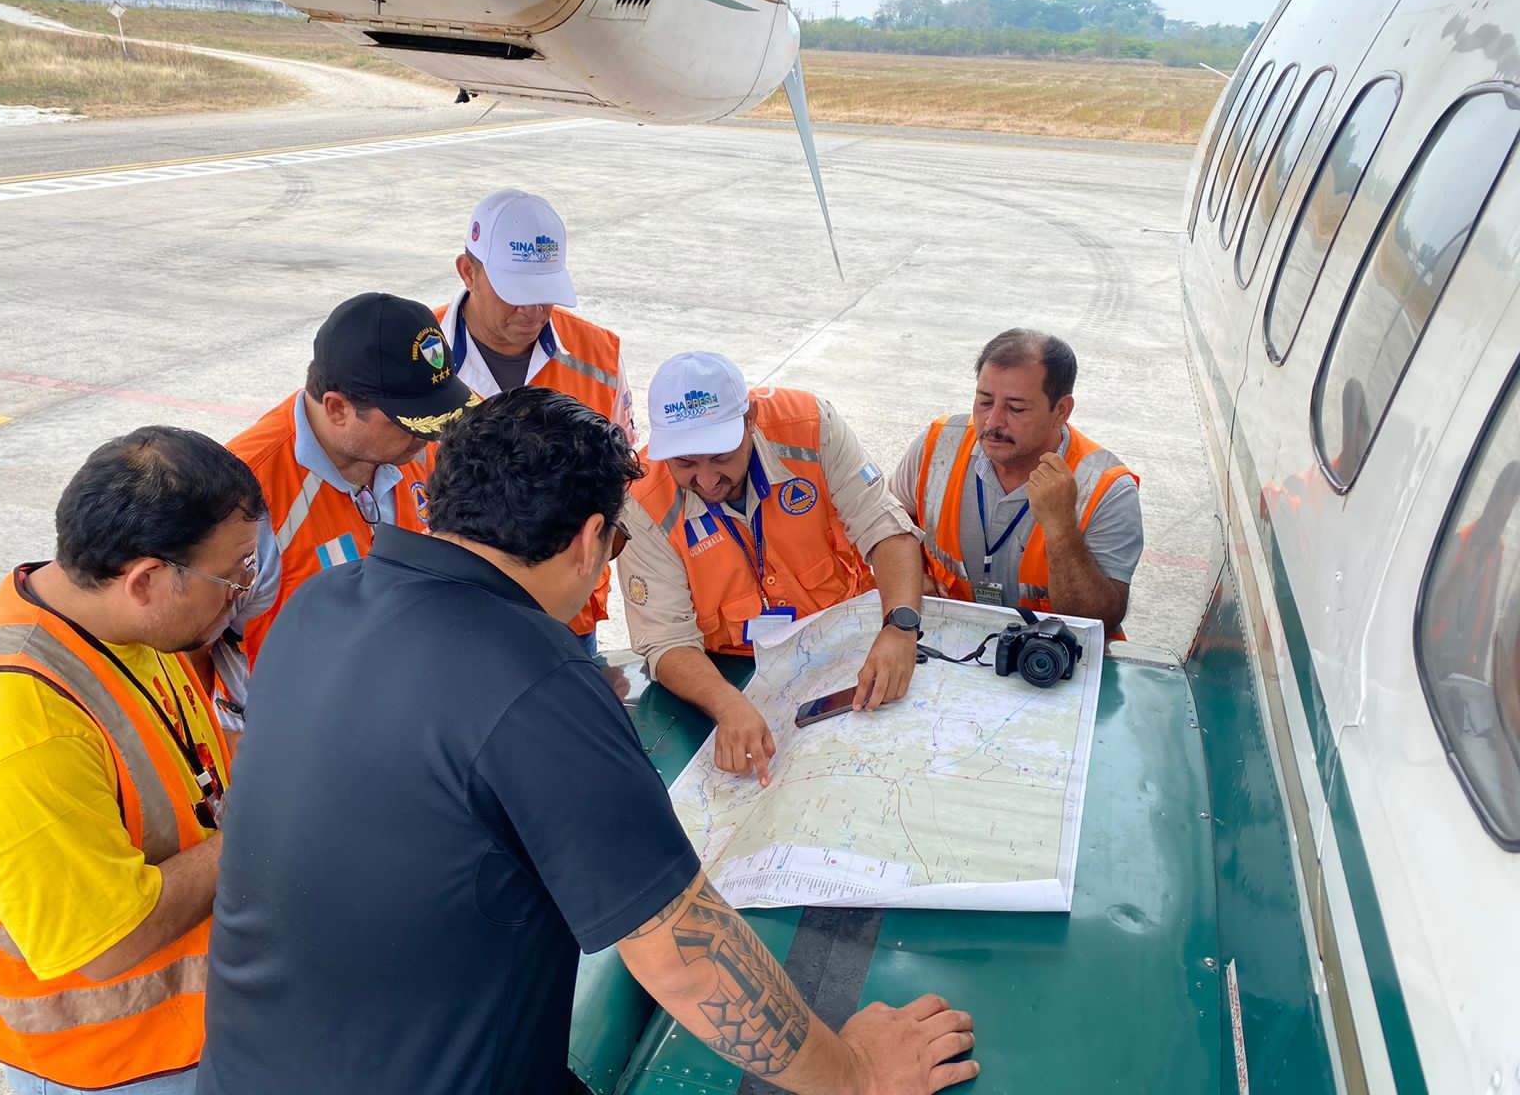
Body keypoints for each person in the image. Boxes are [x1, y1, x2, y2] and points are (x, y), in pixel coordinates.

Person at [196, 388, 977, 1095]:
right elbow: (679, 954)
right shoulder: (534, 684)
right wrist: (857, 1075)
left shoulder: (318, 604)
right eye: (616, 546)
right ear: (589, 538)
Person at [0, 427, 265, 1094]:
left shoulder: (127, 632)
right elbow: (109, 943)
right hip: (114, 1067)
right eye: (233, 573)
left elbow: (184, 767)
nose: (242, 592)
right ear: (145, 579)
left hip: (191, 1038)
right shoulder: (12, 726)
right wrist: (267, 825)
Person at [618, 352, 925, 785]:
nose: (706, 481)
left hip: (844, 649)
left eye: (720, 456)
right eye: (685, 463)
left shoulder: (811, 427)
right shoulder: (641, 499)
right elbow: (666, 641)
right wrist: (726, 704)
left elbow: (886, 528)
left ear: (751, 420)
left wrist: (900, 626)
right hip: (728, 669)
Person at [206, 292, 475, 730]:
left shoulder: (416, 453)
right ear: (337, 408)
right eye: (410, 422)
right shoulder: (240, 496)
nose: (428, 439)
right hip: (292, 742)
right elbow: (195, 651)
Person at [432, 188, 635, 651]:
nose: (533, 312)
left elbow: (622, 479)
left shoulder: (599, 355)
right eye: (516, 293)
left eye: (544, 293)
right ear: (469, 272)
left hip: (567, 616)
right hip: (454, 616)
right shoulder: (419, 356)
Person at [892, 329, 1141, 637]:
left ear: (1061, 411)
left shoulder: (1106, 488)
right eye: (984, 401)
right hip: (950, 644)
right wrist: (910, 576)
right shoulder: (938, 445)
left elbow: (1099, 621)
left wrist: (1061, 530)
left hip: (1053, 660)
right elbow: (887, 521)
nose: (993, 422)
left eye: (1016, 408)